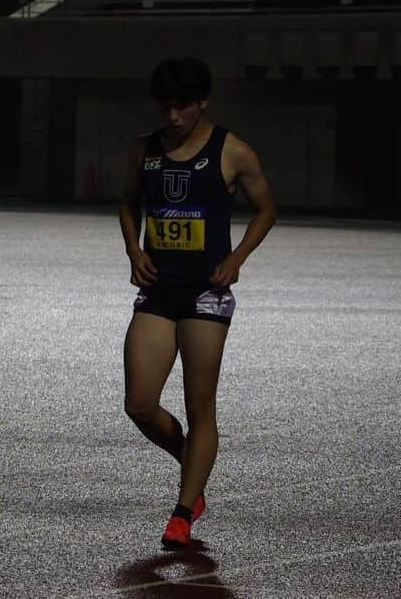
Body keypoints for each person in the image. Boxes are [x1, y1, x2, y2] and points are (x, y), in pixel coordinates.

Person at [118, 58, 276, 548]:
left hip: (207, 292)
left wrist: (238, 259)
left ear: (203, 101)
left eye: (181, 106)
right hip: (159, 291)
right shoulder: (144, 150)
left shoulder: (232, 151)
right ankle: (194, 461)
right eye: (164, 106)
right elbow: (127, 203)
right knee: (140, 405)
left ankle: (184, 511)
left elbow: (267, 208)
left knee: (199, 403)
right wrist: (134, 248)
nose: (171, 116)